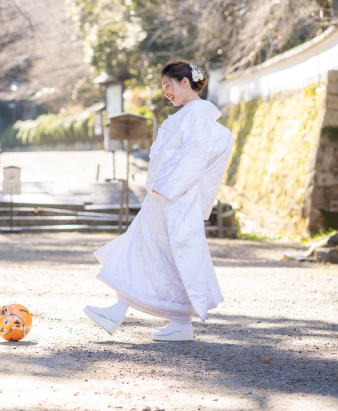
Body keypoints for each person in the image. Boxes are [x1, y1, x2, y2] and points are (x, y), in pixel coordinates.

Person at [84, 61, 233, 342]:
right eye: (164, 87)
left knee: (155, 253)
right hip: (165, 197)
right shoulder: (190, 115)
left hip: (171, 197)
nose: (166, 92)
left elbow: (193, 155)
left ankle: (135, 313)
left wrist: (166, 187)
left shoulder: (195, 115)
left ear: (185, 82)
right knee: (153, 253)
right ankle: (173, 320)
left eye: (169, 85)